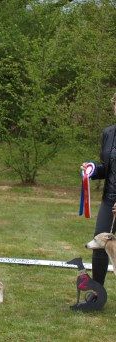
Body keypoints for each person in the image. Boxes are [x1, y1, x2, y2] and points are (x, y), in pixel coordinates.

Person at [83, 92, 116, 286]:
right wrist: (92, 170)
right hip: (109, 198)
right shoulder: (108, 133)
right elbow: (107, 168)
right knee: (99, 244)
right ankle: (97, 292)